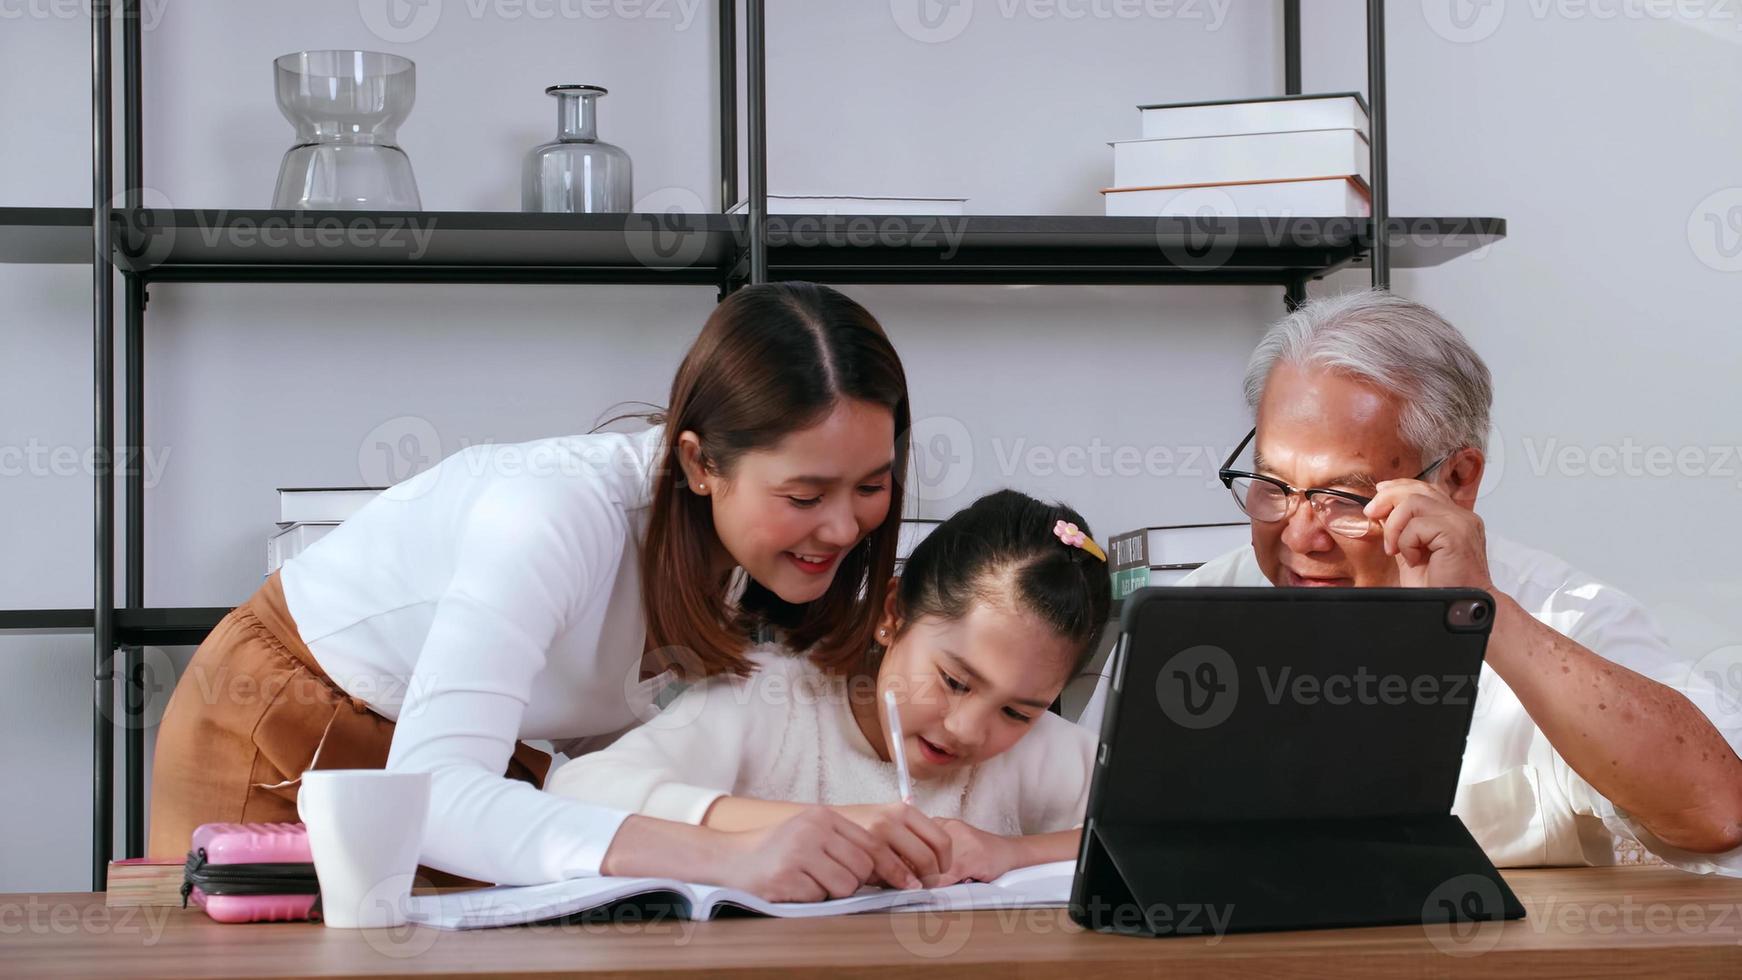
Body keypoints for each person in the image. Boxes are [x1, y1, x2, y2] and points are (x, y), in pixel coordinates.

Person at [150, 282, 929, 902]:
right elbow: (438, 798)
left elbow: (598, 774)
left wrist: (813, 832)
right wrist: (728, 852)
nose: (841, 528)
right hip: (291, 725)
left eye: (871, 486)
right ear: (699, 464)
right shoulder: (552, 514)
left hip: (472, 769)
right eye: (804, 496)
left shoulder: (745, 554)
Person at [1082, 289, 1742, 872]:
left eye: (1344, 496)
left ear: (1456, 481)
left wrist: (1487, 616)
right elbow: (1073, 838)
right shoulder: (1184, 617)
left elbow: (1718, 815)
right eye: (1274, 485)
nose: (1299, 535)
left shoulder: (1564, 618)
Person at [546, 490, 1113, 886]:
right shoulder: (774, 701)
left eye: (1018, 711)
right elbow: (575, 794)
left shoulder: (1029, 752)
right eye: (955, 681)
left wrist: (1012, 852)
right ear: (892, 613)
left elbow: (1174, 833)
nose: (969, 729)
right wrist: (800, 829)